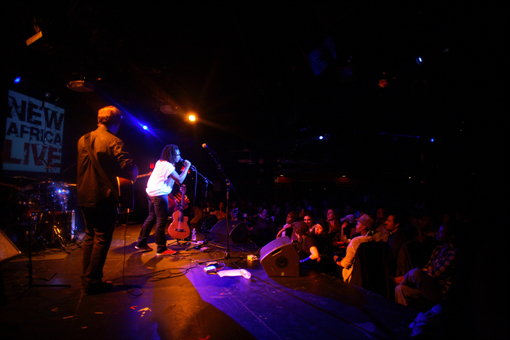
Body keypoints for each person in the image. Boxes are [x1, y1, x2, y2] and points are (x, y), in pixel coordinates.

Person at [77, 105, 138, 295]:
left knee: (89, 237)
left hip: (84, 193)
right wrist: (133, 174)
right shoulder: (114, 141)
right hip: (103, 195)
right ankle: (93, 282)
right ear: (117, 123)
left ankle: (86, 277)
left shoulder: (83, 139)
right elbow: (128, 166)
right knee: (102, 238)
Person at [135, 144, 191, 255]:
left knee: (151, 217)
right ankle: (161, 248)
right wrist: (187, 167)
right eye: (177, 154)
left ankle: (141, 243)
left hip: (151, 193)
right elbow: (179, 180)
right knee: (161, 221)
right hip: (159, 195)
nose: (179, 156)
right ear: (172, 155)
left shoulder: (160, 162)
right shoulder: (168, 166)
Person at [394, 223, 458, 309]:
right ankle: (405, 317)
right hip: (429, 286)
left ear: (451, 236)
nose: (437, 233)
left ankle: (403, 279)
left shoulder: (453, 253)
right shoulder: (438, 249)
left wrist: (414, 276)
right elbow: (428, 266)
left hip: (440, 290)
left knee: (415, 272)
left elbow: (436, 274)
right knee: (400, 288)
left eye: (441, 232)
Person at [333, 214, 375, 283]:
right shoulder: (373, 239)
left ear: (364, 227)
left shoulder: (356, 241)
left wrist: (338, 262)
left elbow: (347, 263)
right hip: (367, 274)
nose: (356, 226)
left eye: (358, 224)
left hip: (353, 274)